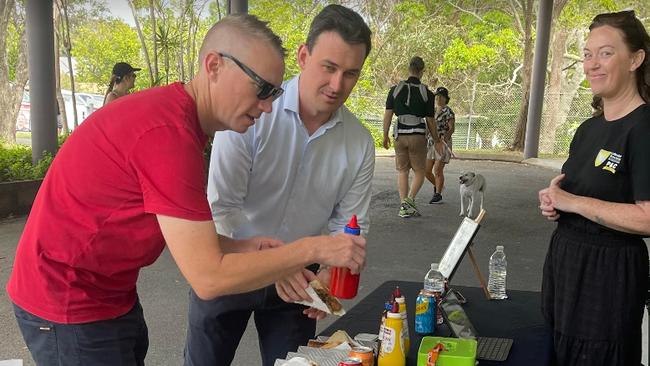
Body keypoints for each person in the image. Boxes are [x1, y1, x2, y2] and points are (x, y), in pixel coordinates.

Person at [6, 14, 366, 366]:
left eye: (273, 92)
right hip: (67, 298)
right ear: (213, 66)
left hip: (111, 292)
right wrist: (313, 249)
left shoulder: (183, 123)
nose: (268, 105)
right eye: (261, 89)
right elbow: (209, 277)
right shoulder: (168, 135)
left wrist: (240, 246)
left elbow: (185, 234)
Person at [184, 5, 374, 366]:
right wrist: (277, 263)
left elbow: (349, 228)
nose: (337, 85)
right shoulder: (251, 112)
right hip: (231, 266)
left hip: (300, 283)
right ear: (303, 56)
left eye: (350, 74)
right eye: (329, 68)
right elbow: (222, 208)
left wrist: (329, 279)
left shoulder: (360, 143)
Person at [538, 10, 650, 366]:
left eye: (605, 53)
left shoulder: (644, 128)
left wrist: (574, 201)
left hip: (609, 273)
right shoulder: (588, 129)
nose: (592, 64)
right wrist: (555, 202)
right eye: (587, 54)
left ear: (636, 59)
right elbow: (575, 193)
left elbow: (648, 219)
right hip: (567, 264)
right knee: (558, 351)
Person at [383, 56, 436, 217]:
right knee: (420, 170)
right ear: (422, 71)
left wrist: (385, 134)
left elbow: (388, 114)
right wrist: (437, 139)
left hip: (399, 134)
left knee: (402, 170)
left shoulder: (395, 90)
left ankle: (403, 205)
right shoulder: (427, 93)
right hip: (417, 135)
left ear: (409, 69)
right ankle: (409, 202)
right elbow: (430, 119)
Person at [426, 86, 455, 204]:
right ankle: (438, 186)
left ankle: (438, 195)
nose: (438, 98)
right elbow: (428, 127)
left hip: (443, 143)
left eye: (441, 96)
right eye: (437, 96)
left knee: (437, 169)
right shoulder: (431, 111)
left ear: (446, 99)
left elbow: (452, 128)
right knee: (426, 171)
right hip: (431, 142)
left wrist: (445, 137)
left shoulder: (448, 111)